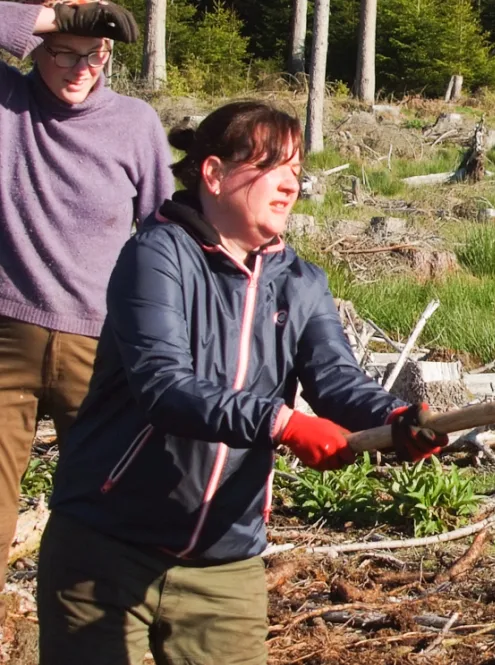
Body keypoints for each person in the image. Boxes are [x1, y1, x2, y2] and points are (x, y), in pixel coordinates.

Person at [36, 101, 448, 664]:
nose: (290, 185)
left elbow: (336, 380)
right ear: (213, 173)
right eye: (271, 168)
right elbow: (164, 386)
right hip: (106, 547)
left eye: (296, 172)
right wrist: (282, 423)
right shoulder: (156, 255)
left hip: (224, 561)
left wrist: (393, 419)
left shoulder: (301, 281)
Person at [0, 0, 174, 570]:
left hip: (100, 348)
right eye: (64, 54)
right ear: (34, 50)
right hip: (7, 337)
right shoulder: (9, 101)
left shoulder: (135, 123)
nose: (81, 70)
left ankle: (89, 619)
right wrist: (52, 18)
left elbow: (164, 237)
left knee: (105, 506)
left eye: (96, 55)